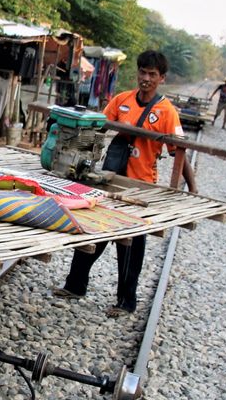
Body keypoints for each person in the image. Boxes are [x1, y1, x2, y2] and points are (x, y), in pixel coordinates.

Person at [52, 50, 185, 317]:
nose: (146, 78)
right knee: (94, 233)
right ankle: (75, 285)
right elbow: (97, 127)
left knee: (130, 246)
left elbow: (179, 150)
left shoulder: (167, 112)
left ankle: (126, 302)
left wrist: (188, 190)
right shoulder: (122, 100)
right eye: (142, 72)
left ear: (162, 78)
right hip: (110, 180)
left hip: (140, 184)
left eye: (152, 74)